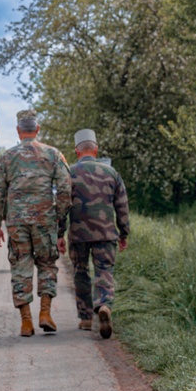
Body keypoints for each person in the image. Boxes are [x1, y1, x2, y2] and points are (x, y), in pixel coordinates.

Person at [0, 109, 72, 336]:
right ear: (37, 129)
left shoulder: (6, 157)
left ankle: (26, 322)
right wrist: (60, 216)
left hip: (16, 221)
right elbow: (65, 188)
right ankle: (45, 313)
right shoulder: (54, 155)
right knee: (46, 264)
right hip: (45, 219)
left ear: (18, 131)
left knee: (20, 266)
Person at [58, 128, 130, 338]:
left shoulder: (69, 173)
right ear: (96, 150)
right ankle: (104, 304)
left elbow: (61, 206)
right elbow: (122, 205)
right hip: (106, 233)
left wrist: (59, 234)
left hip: (78, 234)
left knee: (80, 272)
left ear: (77, 151)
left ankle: (86, 318)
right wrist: (124, 232)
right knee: (104, 271)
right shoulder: (111, 173)